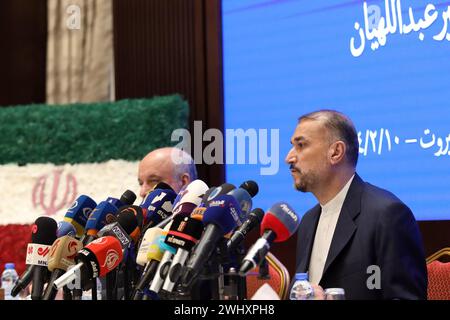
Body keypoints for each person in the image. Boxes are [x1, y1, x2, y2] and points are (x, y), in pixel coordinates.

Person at [285, 110, 427, 300]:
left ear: (335, 152)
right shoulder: (308, 221)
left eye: (301, 145)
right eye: (293, 146)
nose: (289, 157)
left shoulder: (387, 215)